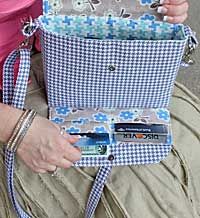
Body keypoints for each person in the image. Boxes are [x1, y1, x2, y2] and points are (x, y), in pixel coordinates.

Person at [1, 1, 200, 218]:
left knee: (185, 140)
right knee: (137, 191)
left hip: (72, 61)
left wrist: (156, 11)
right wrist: (15, 128)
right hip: (15, 99)